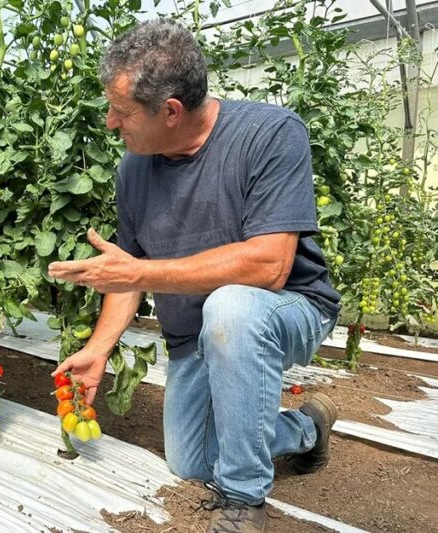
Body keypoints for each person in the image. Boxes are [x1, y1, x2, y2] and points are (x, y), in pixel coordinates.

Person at [48, 19, 341, 533]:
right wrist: (98, 350)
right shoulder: (133, 169)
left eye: (121, 112)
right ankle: (305, 429)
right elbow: (130, 275)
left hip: (285, 309)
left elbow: (269, 266)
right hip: (193, 335)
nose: (111, 124)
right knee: (190, 461)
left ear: (170, 111)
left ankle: (243, 500)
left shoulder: (269, 135)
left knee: (231, 307)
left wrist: (138, 269)